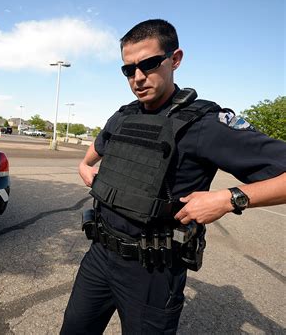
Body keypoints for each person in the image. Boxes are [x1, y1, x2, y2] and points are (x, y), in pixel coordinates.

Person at [60, 19, 286, 334]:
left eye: (149, 64)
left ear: (175, 59)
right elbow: (92, 154)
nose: (138, 78)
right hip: (99, 256)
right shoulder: (124, 116)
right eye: (128, 70)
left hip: (153, 271)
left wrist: (229, 198)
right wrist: (85, 168)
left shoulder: (205, 124)